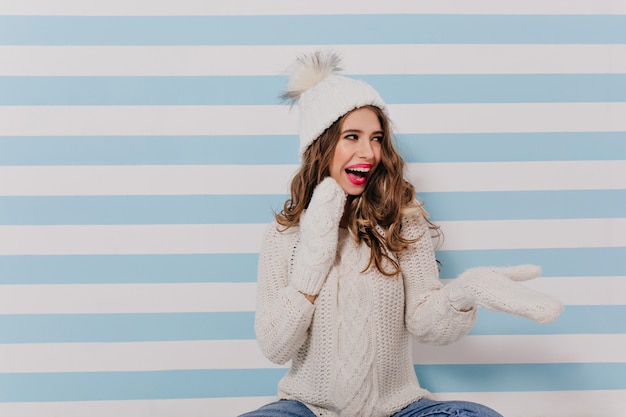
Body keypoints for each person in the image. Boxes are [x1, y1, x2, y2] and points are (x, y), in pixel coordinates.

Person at [239, 51, 562, 417]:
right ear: (321, 145)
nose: (369, 152)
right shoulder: (284, 236)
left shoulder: (401, 221)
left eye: (376, 138)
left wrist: (463, 293)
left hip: (398, 408)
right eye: (352, 137)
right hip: (308, 408)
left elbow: (426, 324)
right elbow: (274, 346)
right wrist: (315, 257)